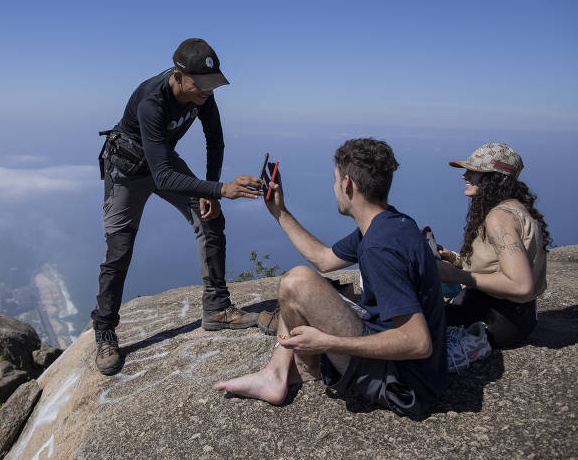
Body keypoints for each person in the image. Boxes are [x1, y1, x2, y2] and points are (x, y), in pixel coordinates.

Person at [214, 138, 447, 417]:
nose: (334, 187)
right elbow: (324, 260)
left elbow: (418, 343)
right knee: (305, 284)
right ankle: (280, 372)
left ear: (348, 184)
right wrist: (280, 213)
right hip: (408, 367)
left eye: (335, 180)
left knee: (296, 282)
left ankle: (281, 373)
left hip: (404, 384)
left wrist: (328, 344)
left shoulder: (379, 248)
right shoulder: (389, 223)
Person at [93, 38, 264, 375]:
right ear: (178, 76)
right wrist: (220, 187)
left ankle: (217, 308)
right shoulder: (151, 103)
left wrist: (212, 193)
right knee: (120, 248)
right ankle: (104, 330)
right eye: (201, 84)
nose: (207, 91)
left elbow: (214, 139)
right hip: (126, 169)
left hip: (161, 161)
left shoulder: (203, 96)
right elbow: (164, 177)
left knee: (209, 217)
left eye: (212, 84)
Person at [435, 142, 550, 348]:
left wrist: (454, 275)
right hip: (516, 317)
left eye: (475, 171)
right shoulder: (514, 208)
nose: (465, 175)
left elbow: (521, 286)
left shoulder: (499, 218)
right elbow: (495, 265)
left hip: (494, 319)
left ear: (497, 178)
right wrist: (453, 259)